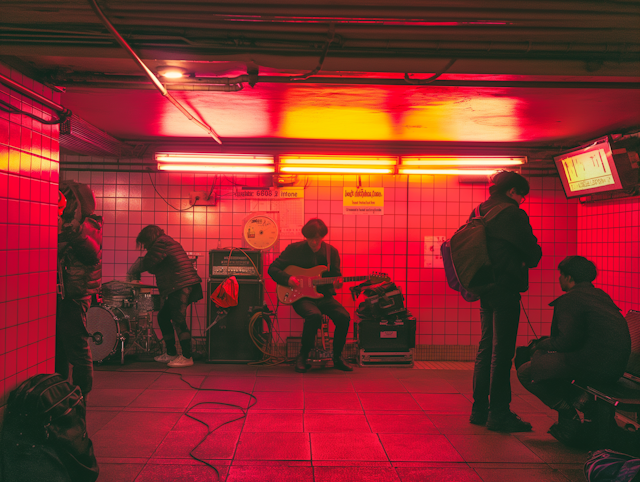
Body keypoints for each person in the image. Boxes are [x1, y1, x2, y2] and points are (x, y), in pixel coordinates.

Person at [517, 256, 631, 444]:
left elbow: (565, 343)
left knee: (525, 371)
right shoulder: (600, 295)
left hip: (593, 365)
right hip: (613, 366)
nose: (559, 279)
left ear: (569, 278)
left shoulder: (571, 300)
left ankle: (568, 413)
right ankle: (583, 406)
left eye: (561, 275)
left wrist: (540, 345)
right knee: (543, 362)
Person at [470, 170, 543, 432]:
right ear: (512, 191)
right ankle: (499, 413)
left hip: (485, 287)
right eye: (522, 195)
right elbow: (533, 253)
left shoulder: (480, 210)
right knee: (502, 353)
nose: (523, 200)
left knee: (486, 348)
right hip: (505, 288)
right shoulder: (512, 213)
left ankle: (479, 410)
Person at [268, 218, 352, 372]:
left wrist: (338, 283)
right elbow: (272, 268)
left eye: (317, 238)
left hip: (323, 296)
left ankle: (337, 357)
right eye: (310, 238)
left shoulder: (330, 252)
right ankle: (302, 356)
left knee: (344, 317)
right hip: (301, 297)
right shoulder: (294, 249)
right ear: (305, 237)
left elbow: (336, 275)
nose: (314, 242)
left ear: (323, 237)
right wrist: (288, 279)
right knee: (314, 315)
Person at [127, 225, 203, 368]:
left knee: (178, 319)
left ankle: (187, 356)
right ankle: (171, 353)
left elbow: (148, 262)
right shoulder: (166, 241)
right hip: (181, 284)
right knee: (163, 317)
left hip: (181, 285)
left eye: (144, 243)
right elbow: (154, 264)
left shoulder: (161, 243)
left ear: (149, 238)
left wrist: (132, 271)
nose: (144, 247)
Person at [56, 180, 103, 398]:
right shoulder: (81, 224)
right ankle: (61, 392)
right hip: (70, 293)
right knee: (62, 348)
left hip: (74, 295)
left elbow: (91, 255)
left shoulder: (87, 226)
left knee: (76, 348)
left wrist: (72, 230)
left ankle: (81, 395)